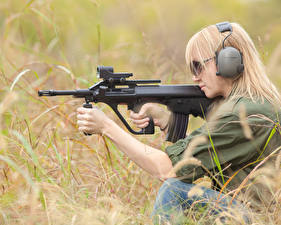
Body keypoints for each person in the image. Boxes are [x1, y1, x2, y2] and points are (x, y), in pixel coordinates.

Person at [77, 22, 281, 224]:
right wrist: (166, 120)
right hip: (252, 213)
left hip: (255, 218)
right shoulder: (255, 103)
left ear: (229, 61)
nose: (194, 76)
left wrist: (106, 126)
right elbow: (210, 150)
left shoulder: (242, 114)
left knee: (173, 190)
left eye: (198, 66)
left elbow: (167, 170)